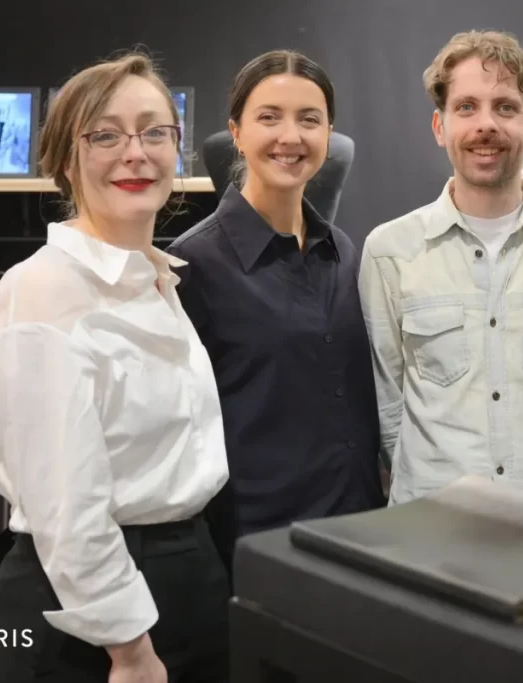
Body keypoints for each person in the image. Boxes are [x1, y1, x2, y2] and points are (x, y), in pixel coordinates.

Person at [0, 52, 231, 682]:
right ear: (65, 158)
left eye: (155, 131)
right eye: (105, 134)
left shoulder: (156, 283)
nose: (134, 152)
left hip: (185, 576)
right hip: (89, 618)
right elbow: (66, 505)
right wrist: (130, 649)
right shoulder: (41, 291)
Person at [359, 30, 523, 504]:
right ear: (440, 127)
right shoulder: (390, 251)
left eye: (506, 107)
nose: (485, 125)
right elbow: (386, 399)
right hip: (431, 517)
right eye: (466, 107)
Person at [165, 50, 385, 565]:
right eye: (269, 117)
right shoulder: (190, 266)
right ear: (236, 132)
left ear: (329, 135)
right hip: (258, 549)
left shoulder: (345, 253)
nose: (291, 137)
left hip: (360, 537)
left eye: (309, 120)